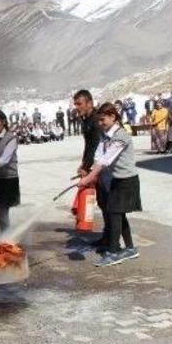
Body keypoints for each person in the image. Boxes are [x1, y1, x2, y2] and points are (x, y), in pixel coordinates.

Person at [77, 103, 141, 267]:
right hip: (116, 180)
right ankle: (130, 248)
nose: (100, 123)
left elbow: (106, 160)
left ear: (113, 117)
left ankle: (113, 252)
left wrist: (89, 178)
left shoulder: (121, 136)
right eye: (99, 120)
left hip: (126, 181)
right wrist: (87, 171)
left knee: (114, 214)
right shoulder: (106, 135)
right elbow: (99, 156)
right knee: (119, 214)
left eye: (103, 120)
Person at [73, 90, 108, 249]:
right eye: (75, 104)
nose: (76, 107)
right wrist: (83, 164)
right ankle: (107, 236)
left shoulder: (95, 120)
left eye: (79, 104)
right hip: (93, 164)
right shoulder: (85, 119)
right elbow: (88, 145)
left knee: (107, 204)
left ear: (89, 103)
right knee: (102, 202)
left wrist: (87, 167)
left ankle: (111, 240)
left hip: (103, 166)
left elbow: (95, 146)